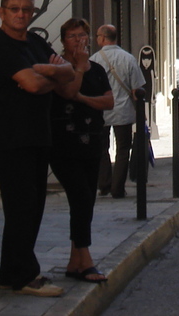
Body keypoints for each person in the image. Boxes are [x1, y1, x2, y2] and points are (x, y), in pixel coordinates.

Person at [0, 0, 75, 297]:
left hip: (39, 133)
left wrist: (46, 70)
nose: (21, 14)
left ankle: (11, 274)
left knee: (33, 207)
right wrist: (52, 74)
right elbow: (33, 84)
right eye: (14, 9)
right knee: (21, 207)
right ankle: (25, 276)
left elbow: (68, 72)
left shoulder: (35, 41)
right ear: (2, 12)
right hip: (13, 137)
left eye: (26, 9)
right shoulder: (0, 45)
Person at [49, 19, 113, 283]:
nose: (78, 40)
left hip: (93, 142)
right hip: (63, 145)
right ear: (63, 41)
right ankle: (85, 259)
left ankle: (75, 260)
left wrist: (84, 99)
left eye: (82, 35)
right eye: (73, 36)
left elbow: (108, 101)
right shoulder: (58, 67)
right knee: (80, 198)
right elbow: (67, 92)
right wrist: (78, 69)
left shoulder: (97, 69)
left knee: (88, 198)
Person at [91, 24, 145, 198]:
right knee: (123, 149)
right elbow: (137, 88)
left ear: (103, 38)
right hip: (123, 111)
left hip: (102, 110)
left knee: (101, 148)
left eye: (98, 35)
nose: (96, 38)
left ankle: (104, 184)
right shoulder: (128, 59)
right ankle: (117, 187)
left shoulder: (94, 60)